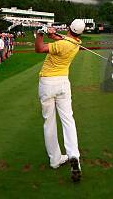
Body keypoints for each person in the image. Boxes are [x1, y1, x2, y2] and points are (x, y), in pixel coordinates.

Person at [34, 19, 86, 182]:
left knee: (49, 121)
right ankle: (73, 155)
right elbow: (63, 39)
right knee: (68, 120)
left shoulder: (64, 43)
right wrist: (52, 34)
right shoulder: (76, 42)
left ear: (69, 28)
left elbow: (39, 48)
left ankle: (55, 160)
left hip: (48, 83)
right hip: (63, 83)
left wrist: (40, 34)